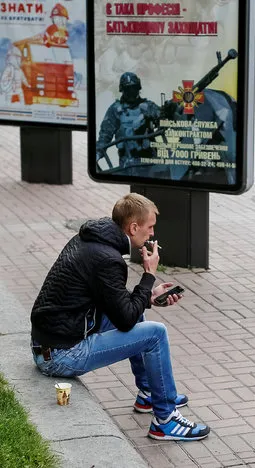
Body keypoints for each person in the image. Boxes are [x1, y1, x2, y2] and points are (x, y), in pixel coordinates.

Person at [30, 193, 210, 441]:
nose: (152, 234)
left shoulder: (91, 241)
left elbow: (117, 302)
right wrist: (148, 276)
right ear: (133, 227)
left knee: (137, 316)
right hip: (60, 355)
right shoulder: (109, 259)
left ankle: (149, 393)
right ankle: (165, 421)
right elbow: (124, 318)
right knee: (156, 334)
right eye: (149, 228)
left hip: (52, 342)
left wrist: (148, 297)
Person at [96, 72, 162, 176]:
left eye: (134, 88)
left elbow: (165, 120)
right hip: (127, 164)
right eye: (128, 90)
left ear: (138, 88)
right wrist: (98, 153)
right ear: (122, 90)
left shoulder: (149, 107)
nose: (131, 92)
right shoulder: (115, 110)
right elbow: (105, 134)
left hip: (149, 163)